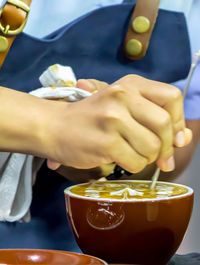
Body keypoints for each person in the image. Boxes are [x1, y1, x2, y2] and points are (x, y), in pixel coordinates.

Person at [0, 0, 199, 254]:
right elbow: (59, 125)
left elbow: (181, 145)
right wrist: (56, 122)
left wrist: (120, 154)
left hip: (72, 242)